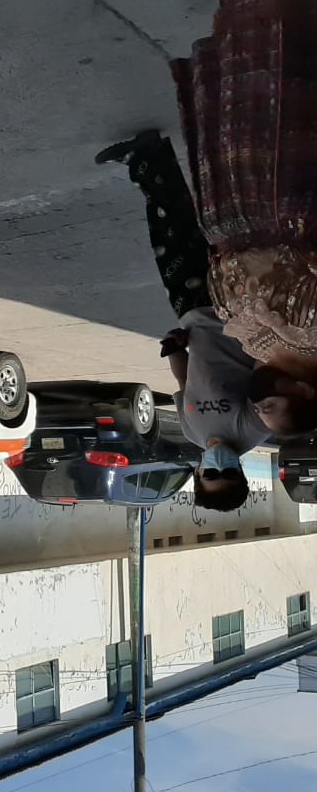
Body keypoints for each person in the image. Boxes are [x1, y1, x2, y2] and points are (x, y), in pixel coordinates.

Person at [170, 0, 317, 436]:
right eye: (270, 410)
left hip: (235, 204)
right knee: (280, 80)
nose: (257, 408)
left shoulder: (257, 348)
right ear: (304, 393)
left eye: (260, 415)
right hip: (287, 195)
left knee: (239, 91)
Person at [96, 129, 268, 511]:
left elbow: (183, 379)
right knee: (207, 226)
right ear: (241, 473)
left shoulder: (193, 431)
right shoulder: (254, 428)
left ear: (199, 474)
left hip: (189, 311)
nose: (219, 469)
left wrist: (176, 347)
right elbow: (263, 364)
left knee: (169, 235)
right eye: (229, 475)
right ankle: (182, 152)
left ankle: (148, 158)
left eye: (211, 477)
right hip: (226, 305)